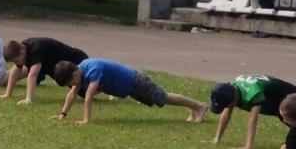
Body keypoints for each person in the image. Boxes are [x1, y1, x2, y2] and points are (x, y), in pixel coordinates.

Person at [56, 57, 206, 125]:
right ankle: (193, 108)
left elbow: (88, 96)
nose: (72, 85)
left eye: (70, 82)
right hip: (129, 87)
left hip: (136, 81)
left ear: (75, 74)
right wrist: (63, 114)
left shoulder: (92, 68)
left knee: (163, 97)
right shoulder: (81, 70)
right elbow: (73, 93)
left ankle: (199, 107)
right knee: (162, 99)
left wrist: (86, 120)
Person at [208, 74, 296, 149]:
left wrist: (248, 146)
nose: (227, 107)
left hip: (289, 95)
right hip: (272, 98)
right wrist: (217, 139)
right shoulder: (232, 89)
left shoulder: (253, 92)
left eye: (227, 105)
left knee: (293, 120)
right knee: (288, 121)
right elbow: (226, 114)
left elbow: (253, 120)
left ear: (234, 99)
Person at [0, 37, 88, 104]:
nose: (18, 64)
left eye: (17, 61)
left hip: (78, 62)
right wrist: (7, 94)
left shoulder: (36, 49)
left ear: (22, 53)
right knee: (83, 93)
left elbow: (32, 75)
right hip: (60, 69)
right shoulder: (23, 48)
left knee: (88, 91)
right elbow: (15, 70)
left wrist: (28, 99)